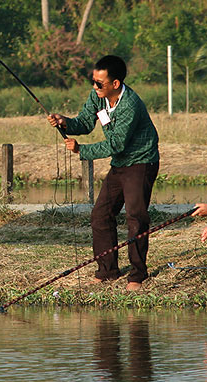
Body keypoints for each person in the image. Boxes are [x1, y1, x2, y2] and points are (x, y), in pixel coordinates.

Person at [48, 55, 159, 291]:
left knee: (135, 217)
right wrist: (65, 122)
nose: (94, 86)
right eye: (93, 81)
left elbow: (117, 143)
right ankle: (107, 271)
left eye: (100, 83)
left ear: (115, 84)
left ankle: (138, 275)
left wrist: (81, 150)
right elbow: (85, 123)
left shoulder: (130, 104)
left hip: (141, 162)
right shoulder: (98, 96)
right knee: (100, 215)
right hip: (120, 163)